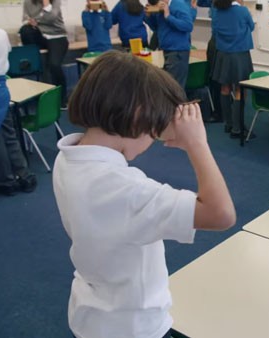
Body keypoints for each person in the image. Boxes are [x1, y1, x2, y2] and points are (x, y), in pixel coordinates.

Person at [54, 50, 236, 338]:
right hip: (136, 326)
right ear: (138, 117)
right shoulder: (126, 190)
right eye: (153, 133)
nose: (154, 142)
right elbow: (221, 214)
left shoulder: (68, 157)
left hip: (92, 313)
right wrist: (197, 145)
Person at [0, 29, 37, 196]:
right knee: (9, 133)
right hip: (1, 89)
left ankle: (6, 181)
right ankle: (24, 175)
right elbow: (9, 51)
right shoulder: (1, 34)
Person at [211, 0, 255, 138]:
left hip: (223, 53)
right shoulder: (242, 11)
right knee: (240, 89)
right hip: (239, 53)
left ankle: (228, 123)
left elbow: (215, 30)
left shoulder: (216, 11)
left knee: (225, 88)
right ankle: (237, 127)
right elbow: (252, 26)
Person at [21, 0, 69, 105]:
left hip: (57, 36)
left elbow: (52, 18)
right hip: (39, 35)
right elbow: (24, 19)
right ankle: (37, 94)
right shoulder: (28, 2)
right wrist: (29, 22)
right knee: (25, 30)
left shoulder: (55, 1)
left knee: (54, 65)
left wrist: (46, 4)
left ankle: (63, 98)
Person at [144, 0, 193, 87]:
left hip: (178, 51)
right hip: (166, 50)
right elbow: (156, 28)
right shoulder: (160, 7)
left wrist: (168, 16)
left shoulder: (178, 4)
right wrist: (148, 17)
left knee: (174, 87)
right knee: (168, 86)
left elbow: (188, 25)